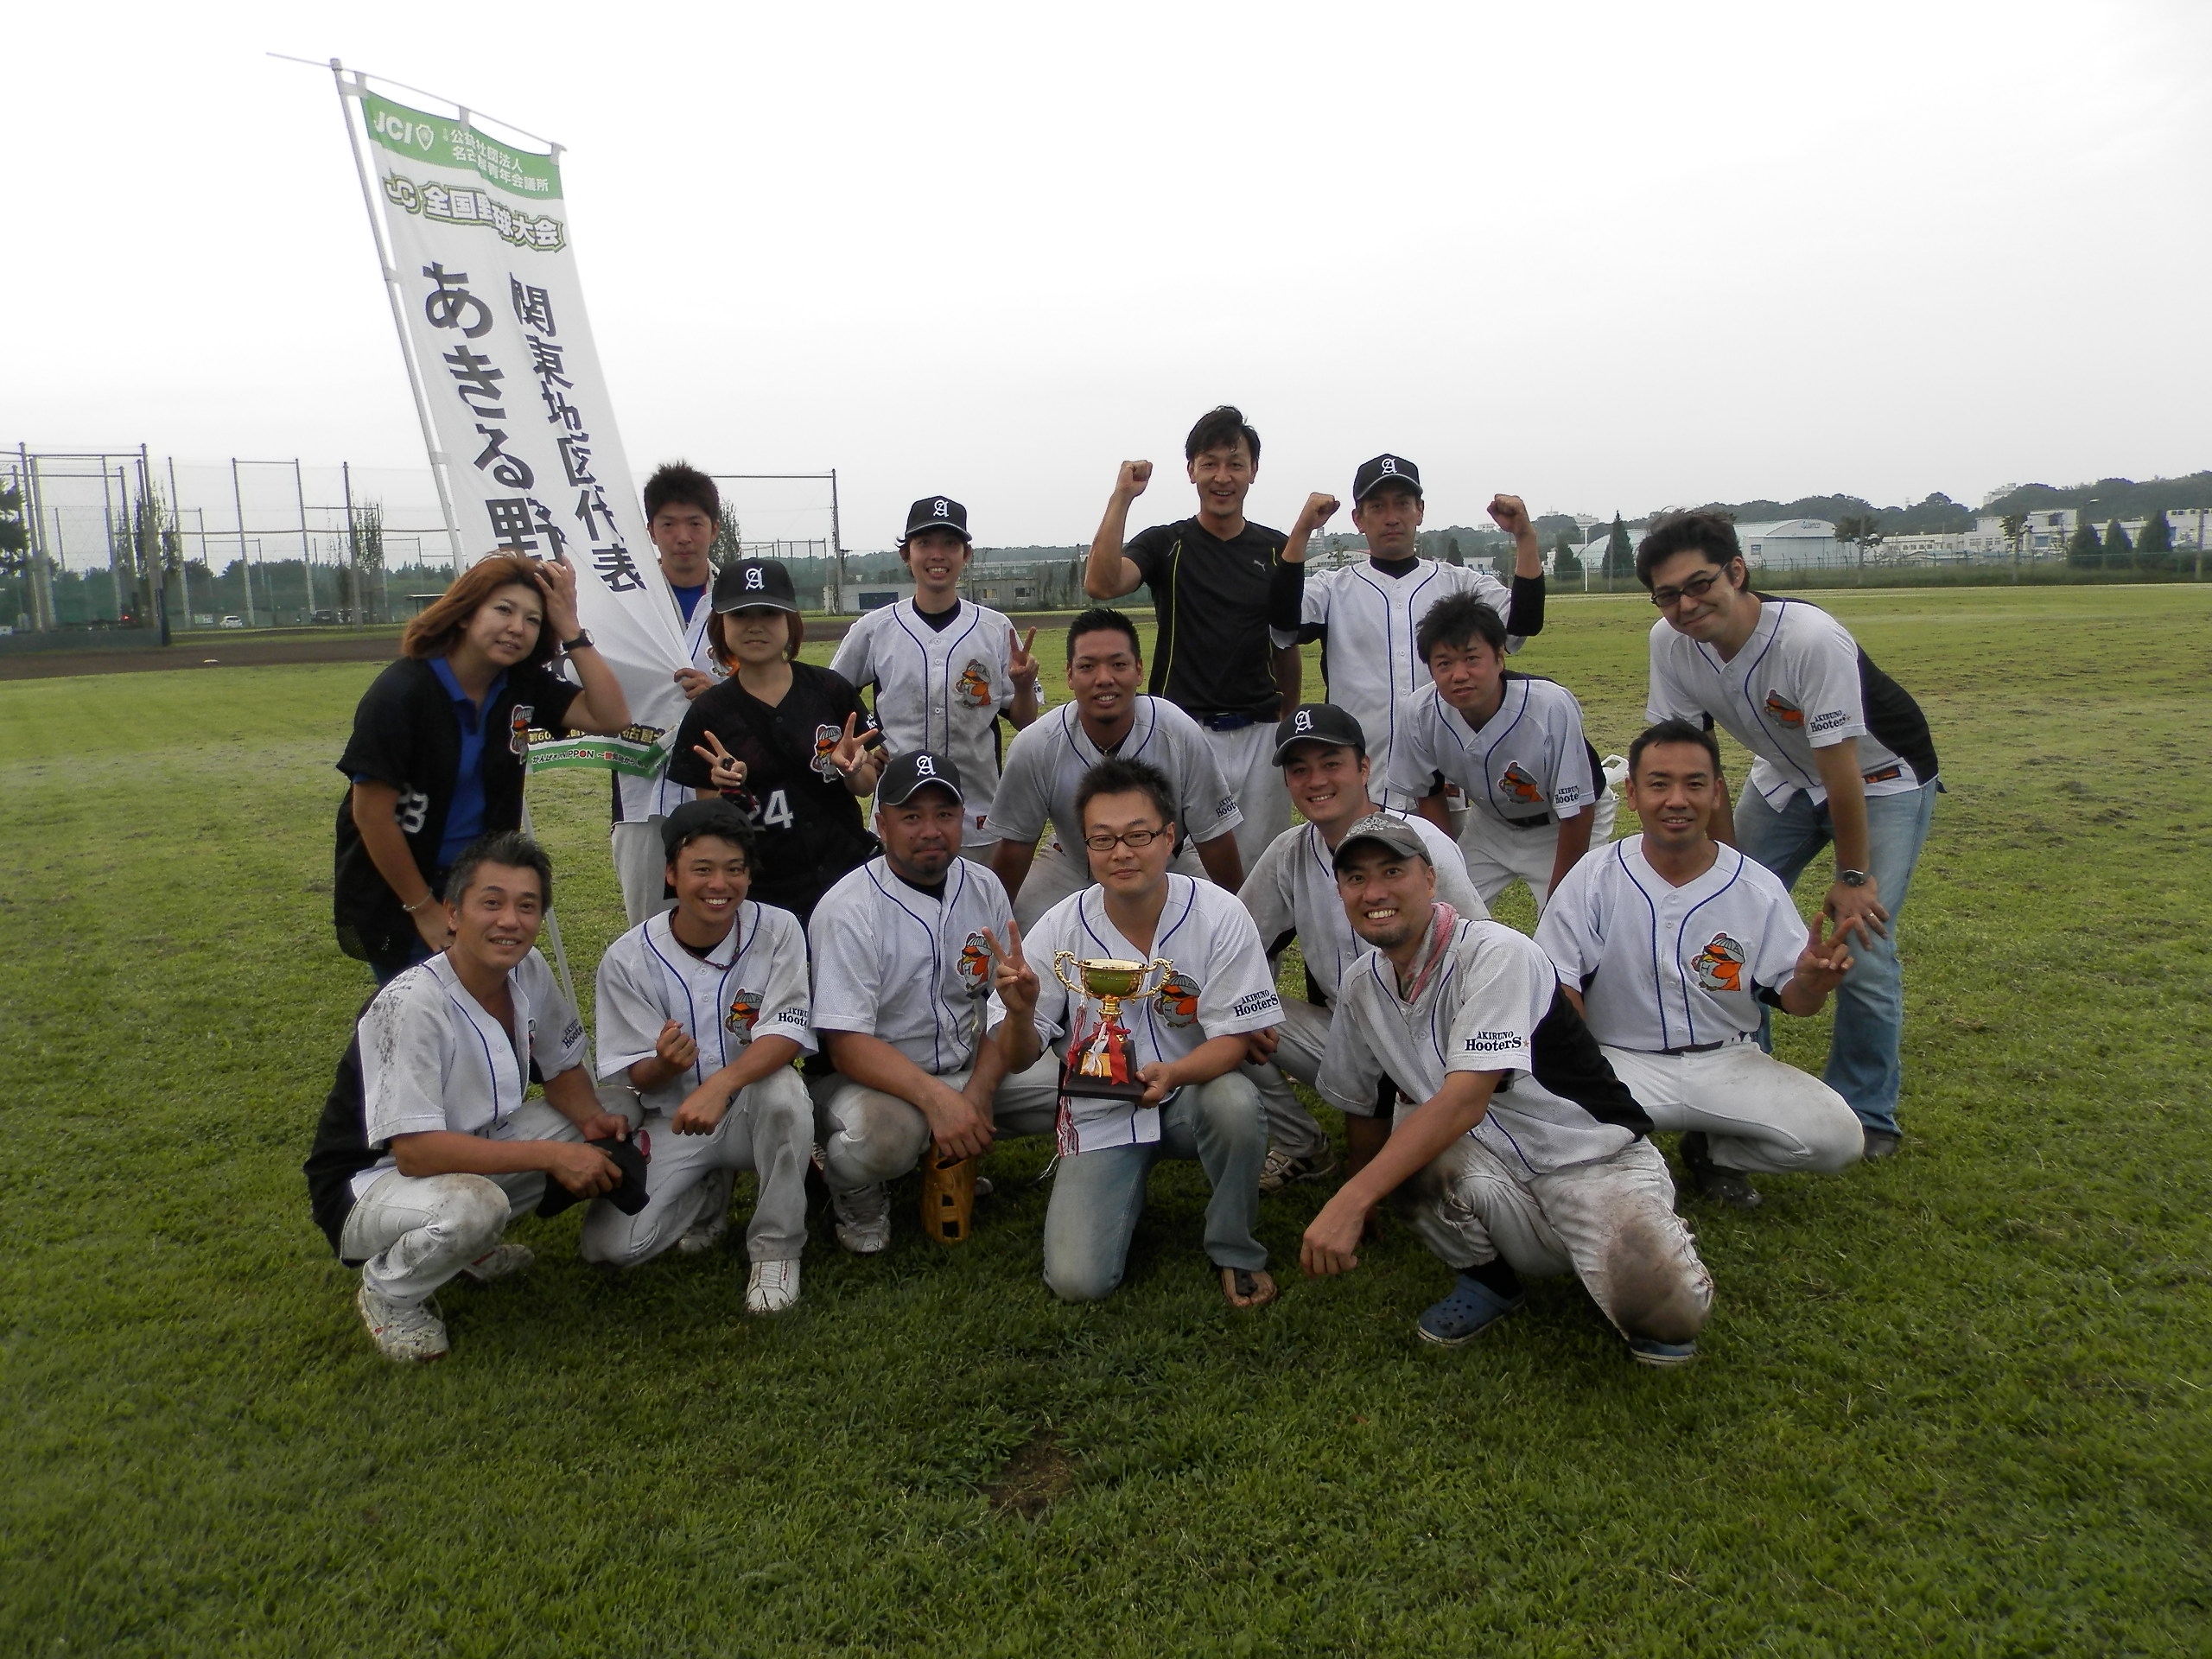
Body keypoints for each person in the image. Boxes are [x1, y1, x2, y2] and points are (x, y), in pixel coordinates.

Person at [1300, 817, 1713, 1365]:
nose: (1374, 892)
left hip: (1591, 1163)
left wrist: (1350, 1199)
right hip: (1489, 1164)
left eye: (1392, 871)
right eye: (1356, 878)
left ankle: (1635, 1234)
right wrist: (1364, 1188)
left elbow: (1465, 1102)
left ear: (1430, 878)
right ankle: (1488, 1280)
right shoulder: (1361, 984)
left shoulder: (1497, 953)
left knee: (1668, 1322)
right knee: (1407, 1150)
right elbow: (1365, 1101)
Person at [1637, 512, 1940, 1160]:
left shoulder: (1809, 638)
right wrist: (1721, 868)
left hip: (1880, 776)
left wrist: (1853, 878)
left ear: (1737, 571)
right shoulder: (1670, 642)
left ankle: (1867, 1113)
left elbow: (1841, 766)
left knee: (1860, 944)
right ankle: (1746, 1094)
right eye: (1668, 595)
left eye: (1699, 585)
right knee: (1730, 922)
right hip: (1783, 775)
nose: (1686, 606)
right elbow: (1691, 758)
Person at [303, 834, 635, 1363]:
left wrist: (593, 1122)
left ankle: (465, 1251)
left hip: (466, 1148)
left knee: (618, 1107)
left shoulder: (528, 968)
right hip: (368, 1183)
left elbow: (562, 1068)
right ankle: (390, 1291)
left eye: (527, 906)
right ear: (453, 914)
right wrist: (555, 1155)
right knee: (475, 1206)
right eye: (492, 902)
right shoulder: (410, 1002)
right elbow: (416, 1154)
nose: (510, 921)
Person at [1535, 721, 1866, 1211]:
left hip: (1727, 1061)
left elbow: (1795, 1000)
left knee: (1837, 1140)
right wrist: (1584, 1074)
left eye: (1694, 784)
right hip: (1620, 1061)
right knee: (1539, 1120)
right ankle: (1628, 1154)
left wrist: (1812, 984)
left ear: (1716, 794)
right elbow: (1559, 983)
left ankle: (1715, 1153)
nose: (1677, 800)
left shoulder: (1756, 886)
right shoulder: (1595, 876)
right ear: (1632, 794)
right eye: (1659, 784)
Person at [989, 757, 1281, 1308]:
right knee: (1078, 1282)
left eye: (1138, 835)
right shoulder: (1060, 925)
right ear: (1085, 847)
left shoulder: (1219, 913)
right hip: (1099, 1110)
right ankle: (1120, 1187)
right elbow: (1019, 1055)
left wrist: (1176, 1073)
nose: (1121, 852)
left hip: (1190, 1096)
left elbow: (1236, 1038)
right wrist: (1021, 1015)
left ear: (1169, 837)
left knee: (1235, 1103)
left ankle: (1234, 1247)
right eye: (1102, 839)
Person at [805, 751, 1066, 1255]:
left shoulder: (984, 886)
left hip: (962, 1067)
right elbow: (846, 1045)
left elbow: (997, 1008)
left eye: (944, 814)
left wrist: (979, 1092)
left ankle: (947, 1148)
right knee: (881, 1137)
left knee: (1073, 1086)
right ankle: (855, 1188)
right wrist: (938, 1102)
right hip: (866, 1083)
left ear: (962, 818)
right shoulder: (848, 908)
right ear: (881, 824)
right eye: (911, 816)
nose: (931, 830)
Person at [334, 552, 630, 983]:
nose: (517, 627)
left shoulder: (520, 683)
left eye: (533, 619)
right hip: (406, 890)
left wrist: (570, 628)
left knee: (488, 1008)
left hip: (483, 887)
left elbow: (612, 716)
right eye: (504, 610)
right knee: (420, 1012)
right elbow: (371, 815)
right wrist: (424, 909)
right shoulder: (402, 691)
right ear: (464, 613)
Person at [1240, 703, 1488, 1192]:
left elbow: (1482, 952)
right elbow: (1236, 942)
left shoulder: (1420, 842)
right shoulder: (1290, 851)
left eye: (1331, 763)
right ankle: (1302, 1146)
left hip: (1434, 1043)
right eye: (1299, 769)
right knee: (1220, 1011)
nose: (1316, 781)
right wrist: (1242, 1004)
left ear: (1364, 768)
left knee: (1439, 1181)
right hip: (1341, 1036)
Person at [582, 801, 815, 1311]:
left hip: (751, 1111)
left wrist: (722, 1083)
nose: (719, 884)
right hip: (675, 1120)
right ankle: (707, 1188)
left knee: (784, 1093)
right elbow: (636, 1075)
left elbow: (788, 1032)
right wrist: (664, 1065)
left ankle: (776, 1247)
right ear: (670, 872)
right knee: (610, 1248)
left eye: (735, 869)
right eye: (702, 869)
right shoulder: (628, 958)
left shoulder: (778, 929)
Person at [1084, 405, 1300, 871]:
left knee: (1262, 869)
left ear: (1253, 471)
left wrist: (1289, 720)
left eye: (1235, 464)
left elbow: (1285, 643)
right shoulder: (1166, 543)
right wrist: (1122, 497)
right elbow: (1101, 583)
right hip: (1181, 730)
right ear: (1191, 471)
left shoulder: (1276, 549)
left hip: (1261, 734)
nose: (1222, 477)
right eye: (1210, 464)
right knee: (1177, 868)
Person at [1268, 454, 1547, 790]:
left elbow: (1523, 623)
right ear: (1358, 519)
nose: (1391, 518)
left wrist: (1525, 536)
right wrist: (1302, 531)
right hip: (1362, 781)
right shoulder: (1332, 587)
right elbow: (1282, 621)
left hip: (1448, 781)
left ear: (1420, 511)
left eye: (1402, 504)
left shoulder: (1458, 583)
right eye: (1377, 507)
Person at [988, 609, 1245, 928]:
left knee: (1215, 924)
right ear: (1069, 675)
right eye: (1087, 666)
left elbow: (1214, 837)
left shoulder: (1177, 730)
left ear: (1139, 670)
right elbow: (1015, 848)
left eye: (1118, 664)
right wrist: (995, 923)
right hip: (1074, 864)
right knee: (1025, 929)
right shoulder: (1037, 744)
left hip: (1169, 862)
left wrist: (1238, 916)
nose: (1104, 678)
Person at [664, 558, 884, 928]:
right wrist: (727, 786)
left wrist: (853, 768)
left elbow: (864, 788)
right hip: (764, 892)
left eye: (769, 613)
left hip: (845, 878)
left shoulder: (829, 689)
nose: (755, 626)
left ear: (790, 621)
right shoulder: (709, 712)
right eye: (740, 614)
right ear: (720, 624)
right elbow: (713, 818)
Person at [829, 494, 1041, 864]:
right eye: (924, 543)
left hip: (978, 811)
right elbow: (831, 692)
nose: (937, 554)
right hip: (899, 806)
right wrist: (869, 737)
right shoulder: (876, 628)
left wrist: (1023, 687)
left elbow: (1024, 720)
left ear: (966, 554)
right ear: (906, 554)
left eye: (950, 543)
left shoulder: (994, 629)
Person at [1385, 593, 1613, 912]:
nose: (1459, 674)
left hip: (1562, 823)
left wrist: (1562, 897)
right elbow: (1428, 793)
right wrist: (1447, 861)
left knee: (1568, 917)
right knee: (1444, 910)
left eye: (1472, 659)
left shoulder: (1549, 705)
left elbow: (1578, 810)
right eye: (1444, 663)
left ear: (1500, 657)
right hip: (1490, 825)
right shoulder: (1421, 712)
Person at [608, 462, 730, 926]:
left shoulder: (736, 600)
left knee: (723, 911)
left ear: (714, 528)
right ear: (650, 531)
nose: (682, 537)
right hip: (640, 788)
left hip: (723, 784)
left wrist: (719, 695)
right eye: (668, 524)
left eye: (695, 523)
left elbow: (770, 682)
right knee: (649, 925)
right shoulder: (626, 603)